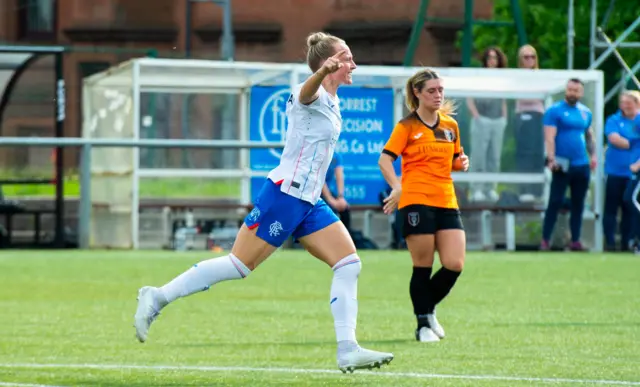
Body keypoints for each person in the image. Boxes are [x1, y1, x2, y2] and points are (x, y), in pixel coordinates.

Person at [133, 32, 394, 373]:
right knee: (238, 266)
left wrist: (326, 73)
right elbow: (305, 92)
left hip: (309, 201)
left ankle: (347, 349)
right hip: (285, 196)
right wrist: (319, 72)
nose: (353, 63)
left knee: (349, 263)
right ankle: (157, 296)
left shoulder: (333, 100)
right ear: (328, 64)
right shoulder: (309, 94)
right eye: (347, 57)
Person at [378, 69, 469, 343]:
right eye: (431, 90)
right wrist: (397, 186)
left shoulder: (450, 126)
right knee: (423, 265)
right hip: (416, 200)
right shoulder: (406, 126)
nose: (438, 95)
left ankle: (427, 311)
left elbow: (455, 158)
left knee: (455, 263)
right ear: (417, 93)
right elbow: (385, 160)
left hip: (446, 199)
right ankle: (422, 326)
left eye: (440, 90)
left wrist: (461, 163)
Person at [540, 78, 596, 251]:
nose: (572, 93)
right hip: (562, 163)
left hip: (582, 164)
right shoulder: (554, 111)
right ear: (566, 90)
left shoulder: (585, 112)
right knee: (555, 202)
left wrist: (593, 155)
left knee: (579, 203)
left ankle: (575, 240)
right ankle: (545, 240)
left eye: (576, 90)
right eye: (570, 89)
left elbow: (589, 135)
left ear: (581, 92)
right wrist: (551, 158)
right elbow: (549, 136)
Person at [466, 46, 508, 202]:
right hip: (481, 119)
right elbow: (469, 97)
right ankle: (477, 188)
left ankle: (491, 188)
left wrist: (504, 117)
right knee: (479, 156)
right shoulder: (478, 75)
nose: (492, 60)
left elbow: (503, 99)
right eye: (489, 57)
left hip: (497, 120)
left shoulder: (501, 77)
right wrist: (476, 115)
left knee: (494, 156)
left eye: (495, 58)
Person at [603, 91, 640, 251]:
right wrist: (633, 143)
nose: (624, 105)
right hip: (615, 171)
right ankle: (610, 243)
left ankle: (628, 241)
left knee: (630, 205)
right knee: (612, 207)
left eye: (628, 102)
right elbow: (614, 139)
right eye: (622, 102)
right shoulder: (614, 120)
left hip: (634, 172)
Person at [514, 44, 546, 200]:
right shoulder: (518, 76)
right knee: (524, 153)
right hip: (523, 116)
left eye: (533, 56)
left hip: (539, 116)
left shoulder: (540, 75)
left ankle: (538, 190)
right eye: (526, 57)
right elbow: (523, 97)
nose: (530, 60)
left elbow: (543, 96)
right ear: (520, 59)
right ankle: (525, 190)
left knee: (538, 153)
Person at [322, 152, 351, 233]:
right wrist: (330, 200)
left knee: (344, 209)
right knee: (327, 210)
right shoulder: (317, 152)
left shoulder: (336, 156)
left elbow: (339, 175)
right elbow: (319, 180)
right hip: (311, 190)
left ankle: (345, 241)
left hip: (326, 191)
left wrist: (340, 197)